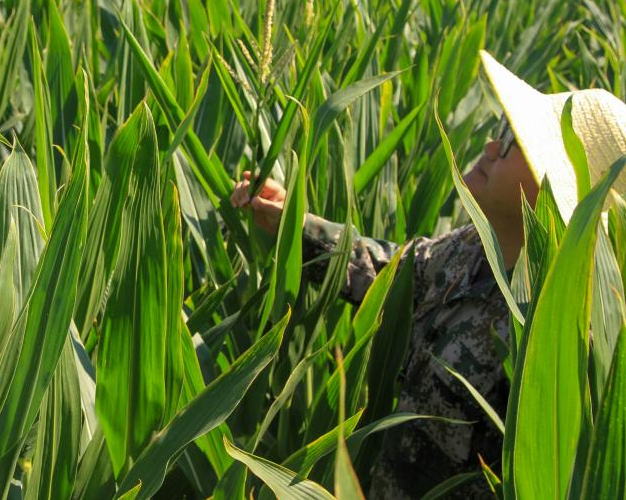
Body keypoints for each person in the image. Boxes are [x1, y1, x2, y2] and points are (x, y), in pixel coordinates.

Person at [231, 51, 626, 499]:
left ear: (553, 187)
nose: (490, 147)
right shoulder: (471, 247)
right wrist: (295, 224)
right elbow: (392, 273)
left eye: (511, 141)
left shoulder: (567, 328)